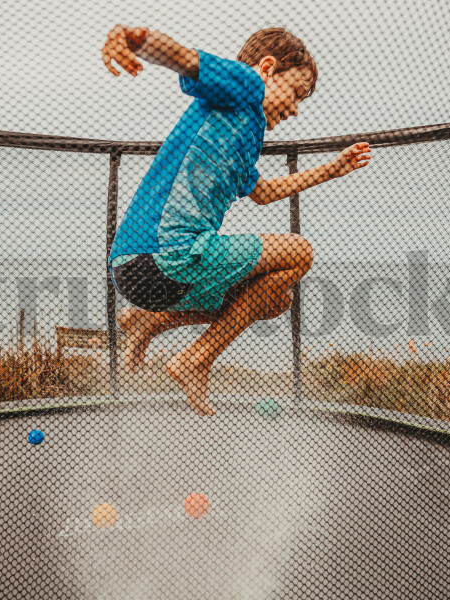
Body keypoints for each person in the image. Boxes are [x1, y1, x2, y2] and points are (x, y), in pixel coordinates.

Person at [102, 24, 371, 416]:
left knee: (276, 299)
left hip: (146, 275)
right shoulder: (246, 85)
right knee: (301, 252)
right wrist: (136, 41)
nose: (296, 108)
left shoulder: (246, 136)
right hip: (163, 255)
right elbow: (185, 59)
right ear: (267, 69)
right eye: (295, 93)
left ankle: (148, 324)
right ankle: (196, 359)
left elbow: (263, 193)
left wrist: (332, 169)